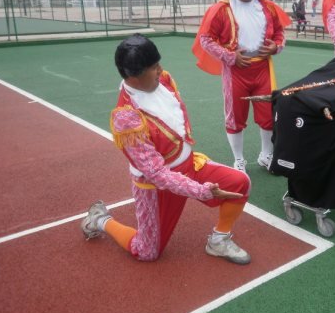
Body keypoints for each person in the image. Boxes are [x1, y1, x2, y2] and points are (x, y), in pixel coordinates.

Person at [81, 34, 252, 264]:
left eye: (158, 64)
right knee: (146, 252)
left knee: (241, 182)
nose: (160, 70)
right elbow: (157, 174)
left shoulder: (164, 80)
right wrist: (201, 190)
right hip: (156, 187)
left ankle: (219, 240)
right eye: (153, 68)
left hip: (189, 165)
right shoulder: (126, 117)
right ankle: (101, 220)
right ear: (133, 76)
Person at [192, 0, 291, 173]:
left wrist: (276, 47)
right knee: (235, 117)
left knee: (268, 115)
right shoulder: (221, 9)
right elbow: (206, 39)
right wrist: (230, 56)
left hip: (263, 68)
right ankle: (239, 160)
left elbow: (280, 33)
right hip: (235, 71)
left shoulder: (268, 7)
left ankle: (266, 155)